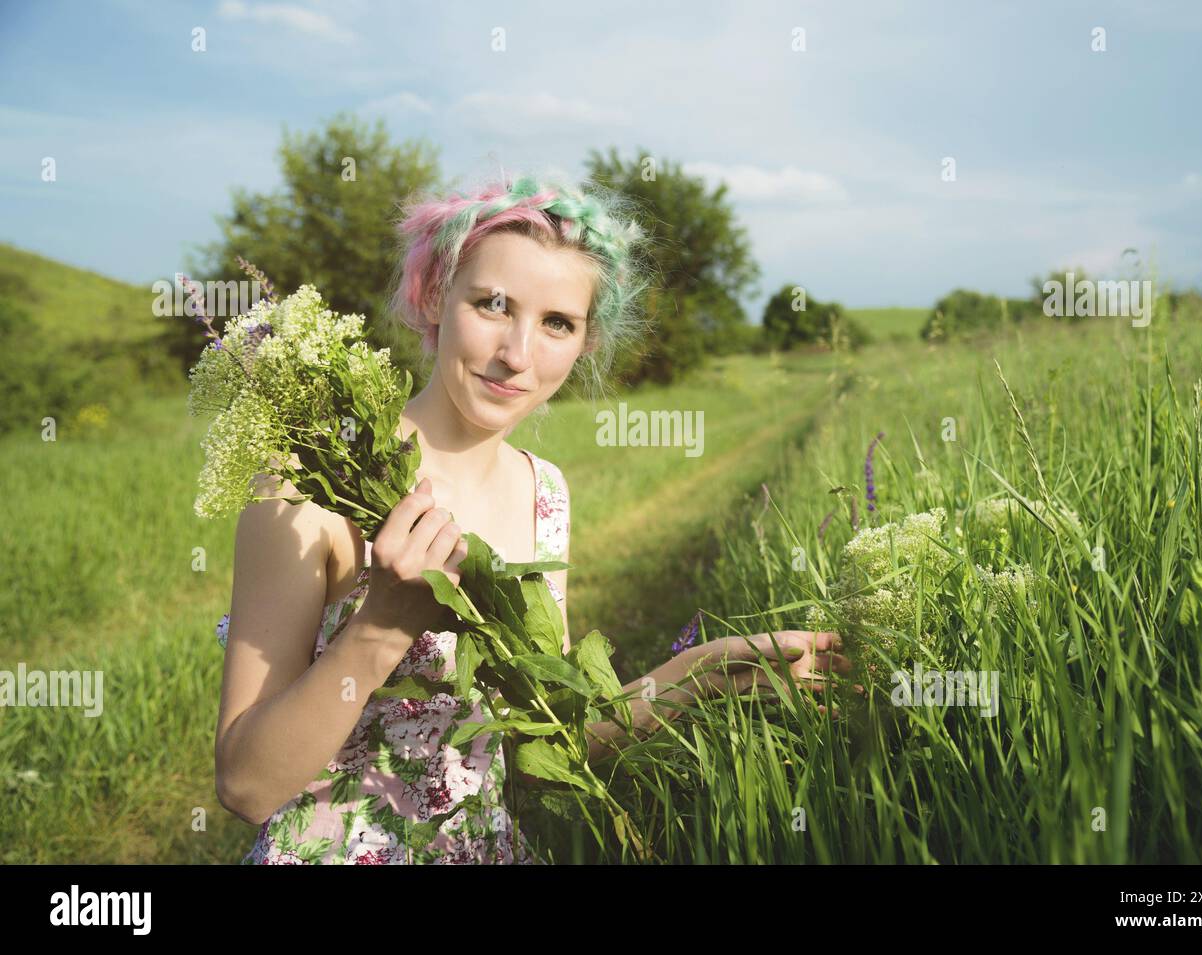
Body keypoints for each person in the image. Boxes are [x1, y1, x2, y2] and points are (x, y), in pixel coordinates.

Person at [213, 171, 849, 864]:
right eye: (491, 304)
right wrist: (380, 627)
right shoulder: (312, 490)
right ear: (433, 296)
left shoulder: (546, 492)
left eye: (556, 323)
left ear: (586, 343)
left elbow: (543, 731)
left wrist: (702, 674)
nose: (517, 354)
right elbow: (246, 785)